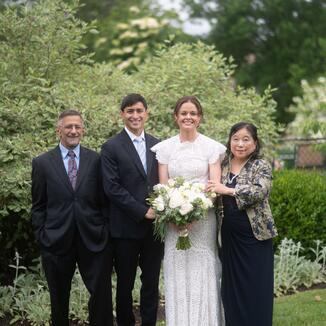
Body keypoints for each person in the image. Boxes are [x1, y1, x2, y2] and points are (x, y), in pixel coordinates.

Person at [31, 109, 113, 326]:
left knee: (101, 297)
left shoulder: (96, 160)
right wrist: (42, 236)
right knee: (59, 300)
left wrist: (104, 230)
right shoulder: (42, 163)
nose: (73, 131)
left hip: (94, 239)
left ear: (83, 130)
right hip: (56, 241)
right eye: (69, 127)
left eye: (77, 127)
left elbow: (105, 201)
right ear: (59, 130)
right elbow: (38, 205)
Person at [151, 96, 226, 326]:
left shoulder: (212, 148)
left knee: (203, 267)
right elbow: (163, 188)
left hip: (203, 221)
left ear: (199, 118)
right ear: (176, 117)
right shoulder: (165, 149)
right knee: (178, 268)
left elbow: (214, 187)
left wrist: (195, 213)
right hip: (173, 223)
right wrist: (173, 216)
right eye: (183, 113)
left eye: (193, 113)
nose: (188, 117)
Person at [101, 93, 163, 326]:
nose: (135, 115)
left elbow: (164, 181)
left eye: (139, 111)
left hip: (154, 229)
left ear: (146, 113)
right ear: (122, 115)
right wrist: (142, 211)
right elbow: (111, 187)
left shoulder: (158, 145)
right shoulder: (110, 147)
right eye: (130, 111)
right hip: (125, 228)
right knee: (125, 284)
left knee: (151, 283)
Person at [207, 122, 278, 326]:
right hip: (229, 237)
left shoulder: (261, 165)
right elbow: (212, 189)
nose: (240, 144)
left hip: (254, 238)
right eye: (236, 138)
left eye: (246, 139)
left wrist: (227, 190)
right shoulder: (223, 164)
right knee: (232, 290)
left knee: (255, 288)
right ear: (230, 142)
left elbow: (259, 191)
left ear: (255, 144)